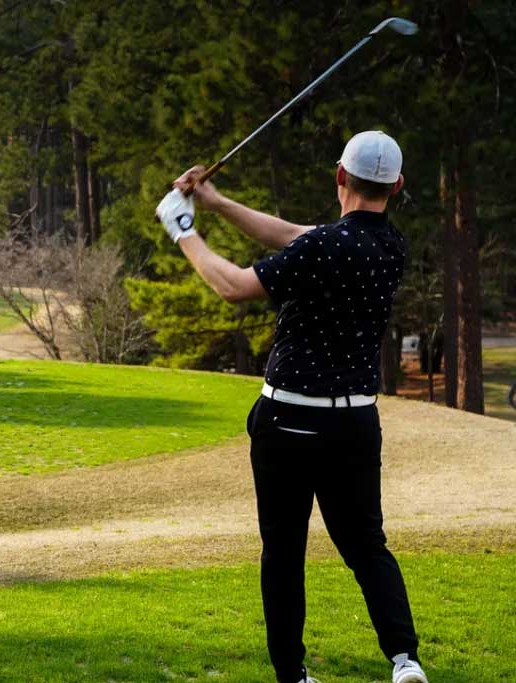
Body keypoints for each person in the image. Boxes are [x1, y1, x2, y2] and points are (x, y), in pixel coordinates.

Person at [161, 131, 427, 683]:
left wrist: (182, 227)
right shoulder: (389, 247)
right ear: (396, 186)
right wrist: (217, 202)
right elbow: (295, 235)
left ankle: (293, 674)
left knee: (283, 553)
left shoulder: (324, 246)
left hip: (288, 421)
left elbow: (232, 285)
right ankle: (405, 660)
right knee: (366, 545)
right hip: (355, 421)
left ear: (339, 177)